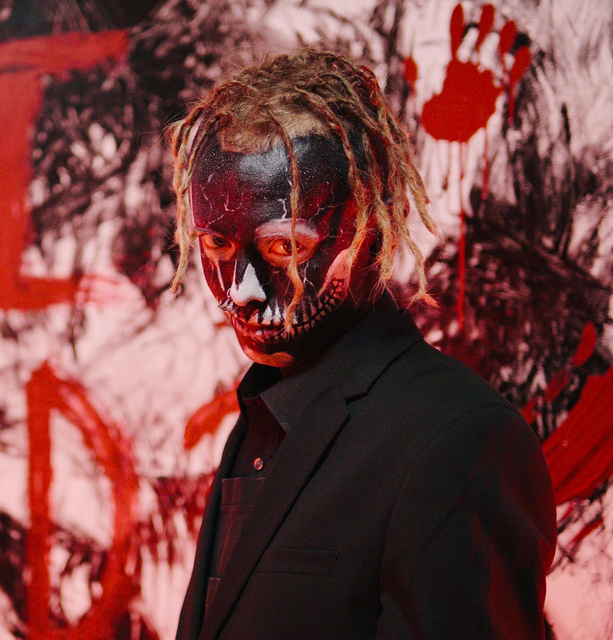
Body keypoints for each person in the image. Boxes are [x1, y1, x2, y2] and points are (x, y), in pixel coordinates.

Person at [169, 48, 557, 640]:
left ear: (374, 227)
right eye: (218, 245)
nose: (241, 291)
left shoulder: (461, 441)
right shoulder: (263, 416)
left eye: (285, 248)